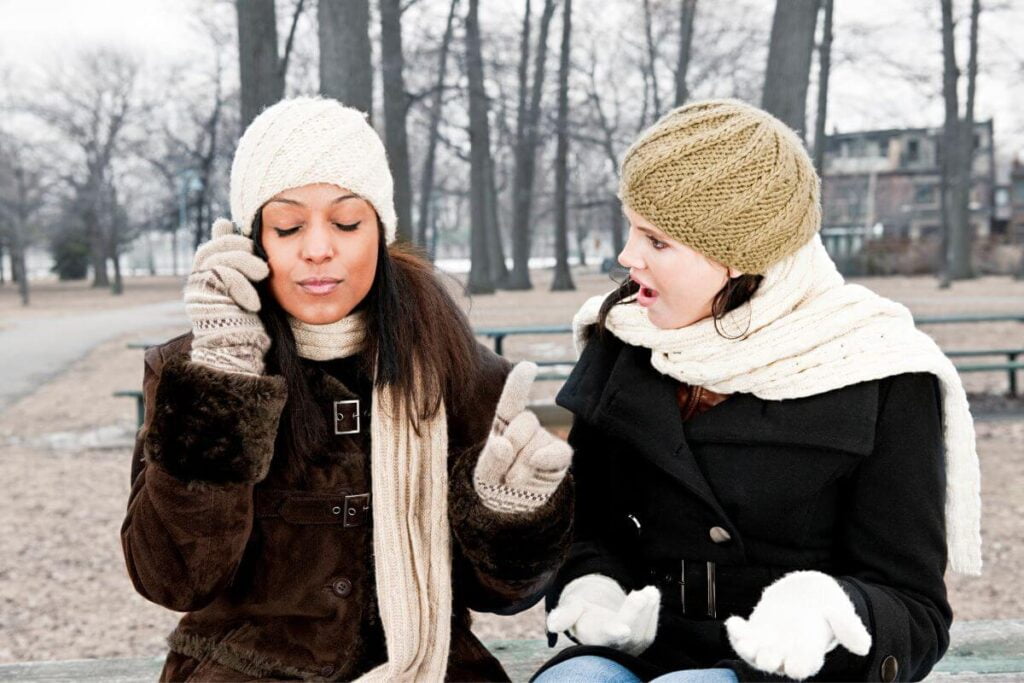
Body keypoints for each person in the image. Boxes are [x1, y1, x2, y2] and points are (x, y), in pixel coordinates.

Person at [121, 96, 573, 682]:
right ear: (253, 240)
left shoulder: (457, 366)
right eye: (287, 226)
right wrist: (223, 382)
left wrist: (512, 516)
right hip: (240, 670)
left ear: (379, 232)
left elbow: (505, 598)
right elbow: (174, 579)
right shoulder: (192, 368)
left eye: (346, 222)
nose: (317, 249)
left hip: (430, 665)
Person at [534, 99, 980, 683]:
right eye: (631, 228)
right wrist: (594, 590)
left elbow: (915, 609)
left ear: (742, 259)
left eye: (656, 241)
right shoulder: (623, 340)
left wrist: (825, 611)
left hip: (788, 674)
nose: (627, 257)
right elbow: (587, 527)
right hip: (645, 654)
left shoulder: (881, 369)